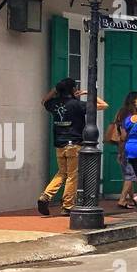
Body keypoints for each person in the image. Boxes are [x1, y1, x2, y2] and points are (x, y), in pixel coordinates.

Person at [38, 78, 89, 216]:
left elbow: (44, 101)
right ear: (73, 89)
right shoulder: (77, 104)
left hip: (59, 143)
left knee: (62, 172)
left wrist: (55, 89)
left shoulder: (54, 103)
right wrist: (89, 93)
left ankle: (46, 195)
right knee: (72, 175)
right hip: (74, 144)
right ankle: (67, 205)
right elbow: (103, 105)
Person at [106, 92, 137, 210]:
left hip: (121, 145)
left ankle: (132, 198)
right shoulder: (133, 116)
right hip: (130, 145)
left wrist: (119, 152)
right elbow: (125, 134)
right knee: (131, 175)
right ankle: (123, 199)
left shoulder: (121, 112)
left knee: (127, 174)